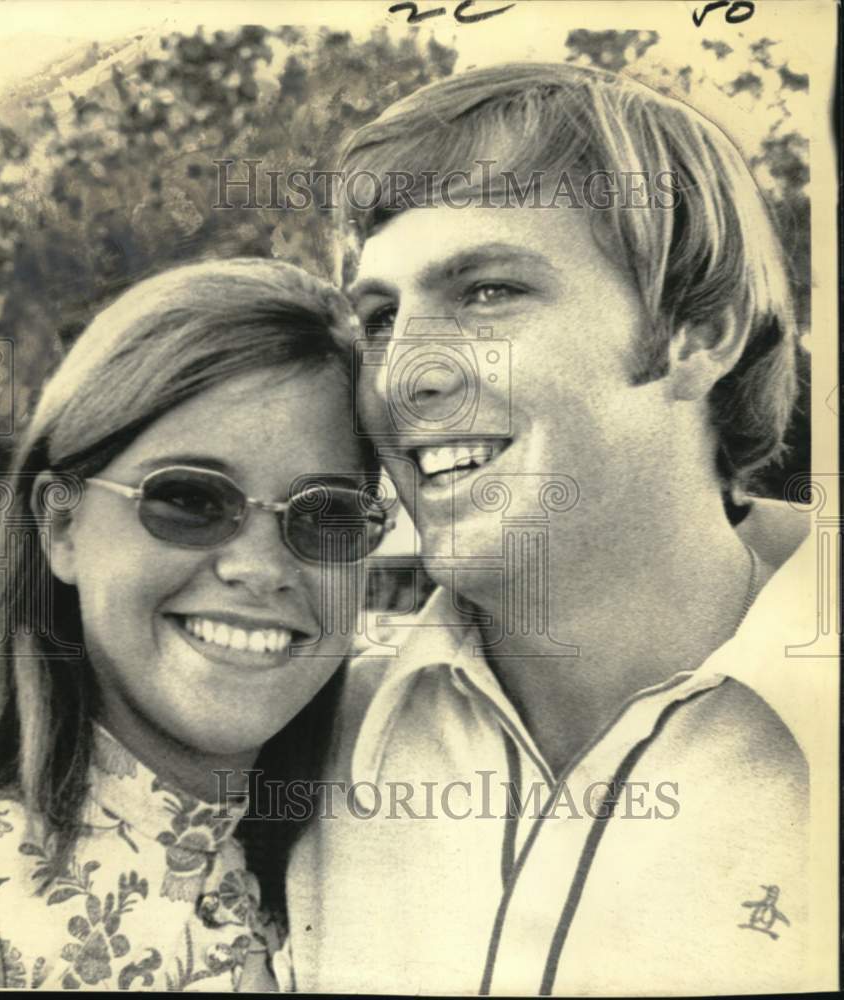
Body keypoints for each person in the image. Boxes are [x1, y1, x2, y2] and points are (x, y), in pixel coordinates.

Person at [286, 63, 833, 994]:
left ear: (703, 335)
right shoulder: (301, 736)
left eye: (488, 291)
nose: (403, 376)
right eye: (380, 317)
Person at [0, 258, 394, 990]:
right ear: (62, 527)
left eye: (324, 514)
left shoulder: (361, 870)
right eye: (190, 500)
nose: (261, 567)